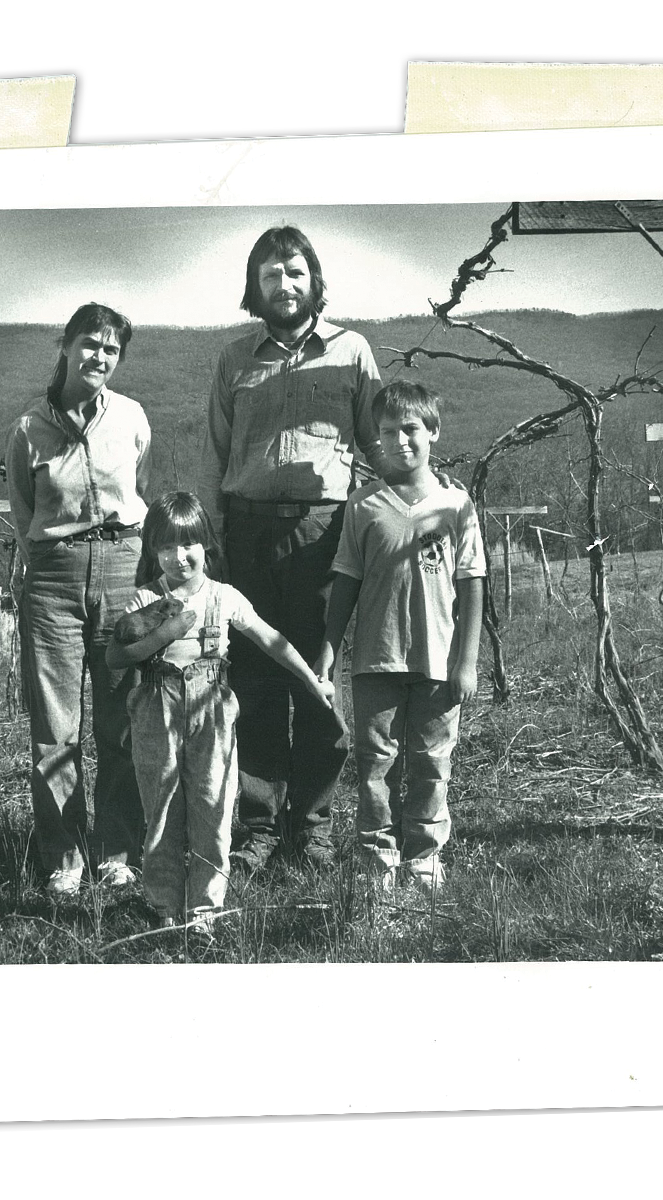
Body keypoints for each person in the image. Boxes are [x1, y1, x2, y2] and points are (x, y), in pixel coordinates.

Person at [199, 225, 385, 872]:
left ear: (315, 281)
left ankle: (311, 830)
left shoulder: (352, 351)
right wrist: (210, 538)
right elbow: (214, 452)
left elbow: (380, 441)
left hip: (322, 534)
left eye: (296, 273)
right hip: (246, 532)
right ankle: (257, 831)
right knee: (253, 679)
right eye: (272, 275)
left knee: (314, 677)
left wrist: (412, 497)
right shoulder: (233, 359)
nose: (285, 285)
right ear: (256, 286)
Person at [108, 492, 334, 940]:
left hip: (211, 709)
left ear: (206, 546)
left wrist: (312, 679)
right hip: (158, 708)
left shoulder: (225, 598)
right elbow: (119, 654)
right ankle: (166, 906)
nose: (179, 556)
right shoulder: (143, 600)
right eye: (167, 546)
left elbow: (271, 641)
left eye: (189, 543)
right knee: (162, 811)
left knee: (213, 808)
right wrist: (166, 630)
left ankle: (204, 911)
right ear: (152, 549)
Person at [313, 382, 485, 892]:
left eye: (411, 429)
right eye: (388, 432)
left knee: (432, 762)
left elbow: (471, 582)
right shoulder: (363, 506)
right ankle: (378, 859)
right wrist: (327, 655)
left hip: (438, 661)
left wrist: (467, 662)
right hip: (375, 661)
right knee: (375, 764)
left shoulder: (456, 503)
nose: (400, 441)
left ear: (433, 432)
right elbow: (344, 584)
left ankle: (425, 855)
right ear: (377, 438)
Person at [6, 303, 150, 899]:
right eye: (90, 344)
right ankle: (64, 857)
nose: (100, 357)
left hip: (122, 568)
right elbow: (23, 511)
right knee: (55, 729)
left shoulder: (133, 418)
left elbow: (140, 486)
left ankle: (119, 851)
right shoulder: (29, 429)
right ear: (65, 347)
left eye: (112, 349)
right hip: (54, 580)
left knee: (121, 721)